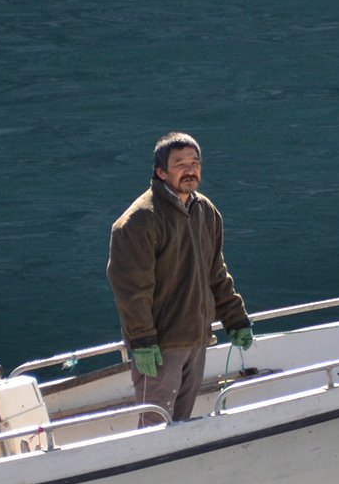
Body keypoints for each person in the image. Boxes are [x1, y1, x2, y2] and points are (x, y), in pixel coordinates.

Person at [106, 131, 255, 426]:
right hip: (161, 346)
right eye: (179, 164)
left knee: (182, 421)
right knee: (155, 425)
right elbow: (132, 291)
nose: (190, 170)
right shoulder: (139, 221)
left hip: (196, 339)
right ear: (161, 172)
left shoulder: (206, 211)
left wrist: (235, 320)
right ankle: (144, 471)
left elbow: (216, 273)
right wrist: (142, 341)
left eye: (194, 163)